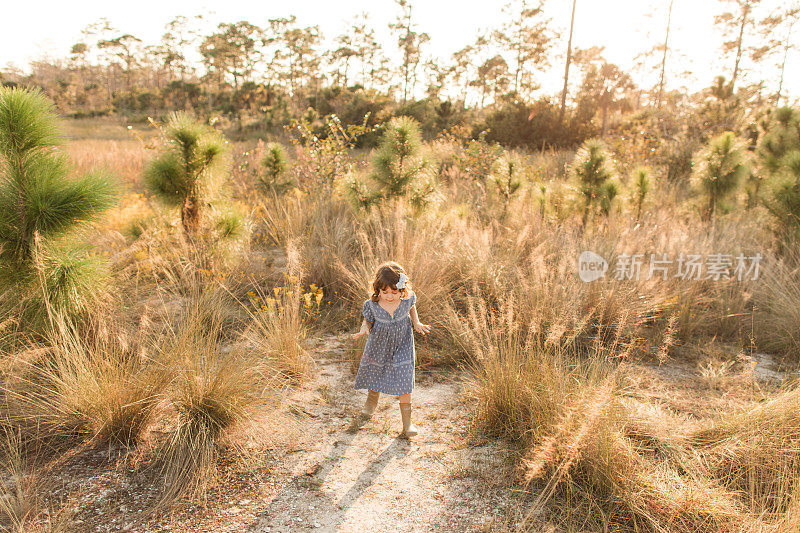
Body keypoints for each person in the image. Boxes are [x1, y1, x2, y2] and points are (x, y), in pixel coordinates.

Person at [351, 261, 431, 438]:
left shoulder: (407, 298)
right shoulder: (372, 304)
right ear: (377, 289)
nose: (389, 296)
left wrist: (416, 322)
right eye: (384, 292)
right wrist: (364, 328)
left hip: (403, 344)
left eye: (394, 292)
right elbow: (368, 320)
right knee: (376, 371)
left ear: (403, 289)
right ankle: (371, 403)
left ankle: (407, 423)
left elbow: (411, 307)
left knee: (405, 376)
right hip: (379, 345)